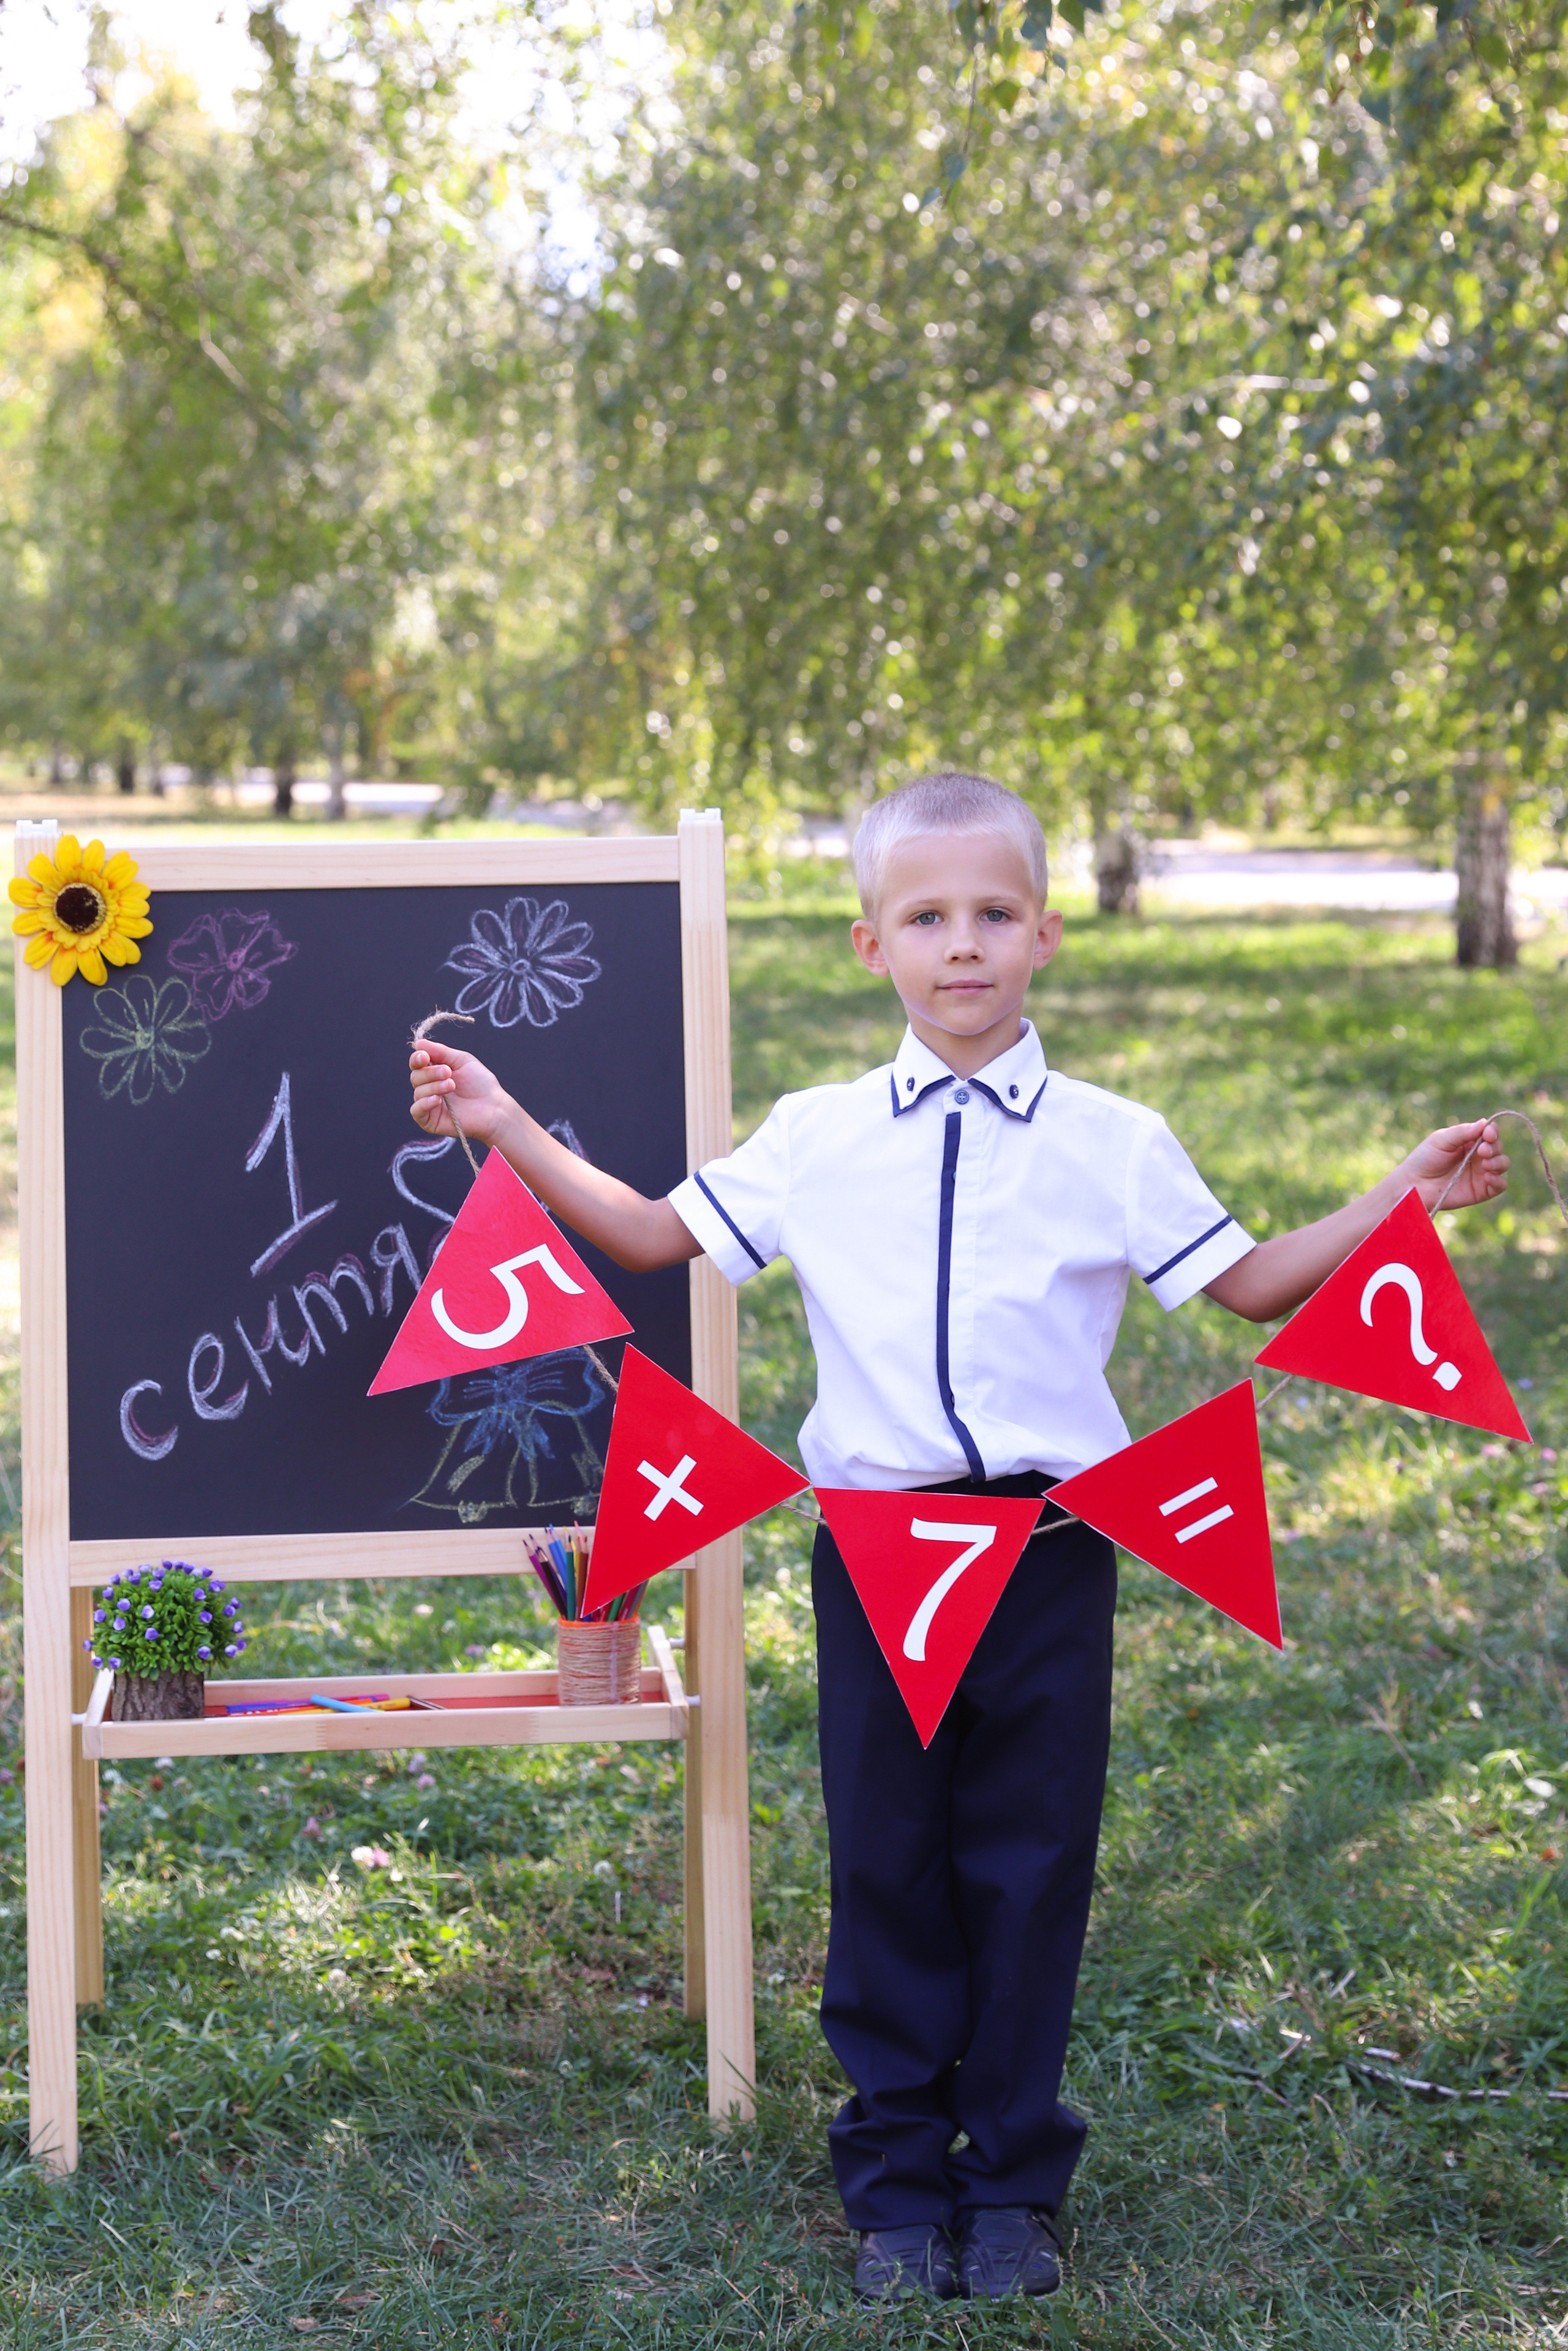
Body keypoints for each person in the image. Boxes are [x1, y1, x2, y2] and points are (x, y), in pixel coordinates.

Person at [408, 772, 1507, 2304]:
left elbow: (1249, 1286)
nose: (962, 944)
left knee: (1028, 1863)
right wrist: (504, 1120)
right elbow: (657, 1234)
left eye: (992, 912)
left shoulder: (1115, 1140)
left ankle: (1011, 2185)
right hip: (872, 1550)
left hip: (1054, 1549)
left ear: (1045, 934)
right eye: (927, 916)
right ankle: (895, 2186)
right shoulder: (816, 1134)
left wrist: (1400, 1192)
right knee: (889, 1865)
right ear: (869, 944)